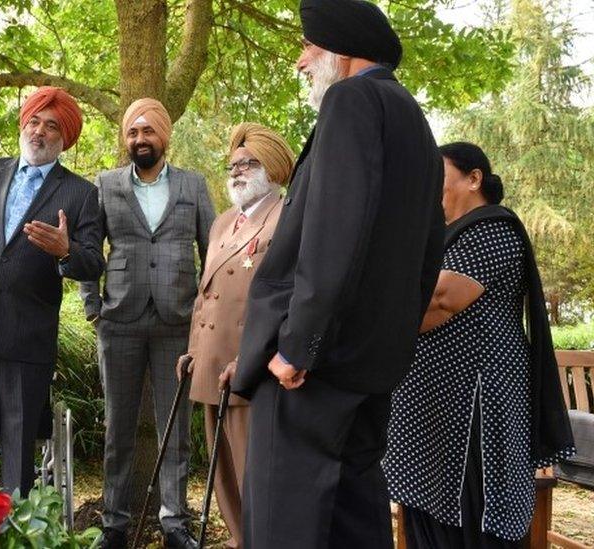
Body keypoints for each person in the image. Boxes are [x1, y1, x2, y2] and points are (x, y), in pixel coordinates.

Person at [221, 0, 446, 546]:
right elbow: (427, 249)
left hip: (313, 369)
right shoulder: (415, 121)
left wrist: (299, 344)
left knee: (285, 525)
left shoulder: (351, 99)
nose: (301, 62)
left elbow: (334, 234)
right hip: (372, 365)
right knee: (353, 519)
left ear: (340, 52)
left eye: (308, 46)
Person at [383, 142, 575, 548]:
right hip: (434, 409)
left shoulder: (492, 229)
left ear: (474, 179)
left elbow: (439, 301)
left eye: (439, 175)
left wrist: (365, 325)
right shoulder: (440, 236)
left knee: (471, 520)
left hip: (475, 410)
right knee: (427, 516)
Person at [0, 86, 104, 496]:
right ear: (22, 123)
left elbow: (92, 264)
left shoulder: (81, 193)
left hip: (26, 337)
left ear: (64, 139)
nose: (39, 132)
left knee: (17, 455)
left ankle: (16, 532)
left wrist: (66, 251)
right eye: (33, 121)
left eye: (51, 126)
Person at [80, 98, 215, 549]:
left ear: (164, 136)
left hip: (178, 323)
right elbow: (87, 251)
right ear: (126, 139)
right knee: (118, 427)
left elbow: (211, 254)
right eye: (133, 133)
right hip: (119, 320)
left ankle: (174, 523)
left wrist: (203, 317)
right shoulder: (105, 184)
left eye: (148, 132)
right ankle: (115, 523)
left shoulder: (194, 186)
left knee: (175, 427)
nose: (140, 139)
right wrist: (92, 307)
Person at [178, 123, 294, 549]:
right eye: (233, 165)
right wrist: (193, 350)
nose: (237, 171)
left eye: (249, 163)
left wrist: (248, 358)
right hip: (211, 364)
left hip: (249, 370)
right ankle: (241, 539)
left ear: (275, 169)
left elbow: (286, 299)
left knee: (254, 477)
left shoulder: (286, 216)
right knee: (222, 474)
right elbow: (205, 291)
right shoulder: (223, 222)